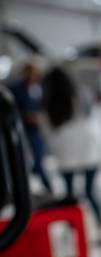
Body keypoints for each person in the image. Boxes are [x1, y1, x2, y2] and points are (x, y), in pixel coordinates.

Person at [41, 67, 101, 245]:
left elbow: (47, 132)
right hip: (88, 148)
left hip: (66, 152)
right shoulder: (80, 95)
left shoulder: (47, 102)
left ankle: (72, 233)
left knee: (69, 195)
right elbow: (91, 115)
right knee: (90, 192)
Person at [10, 58, 53, 194]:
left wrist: (41, 116)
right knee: (21, 160)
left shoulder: (41, 88)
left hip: (36, 129)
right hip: (20, 128)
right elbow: (11, 109)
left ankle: (48, 189)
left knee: (39, 160)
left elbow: (45, 106)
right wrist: (25, 116)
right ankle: (23, 191)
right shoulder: (15, 89)